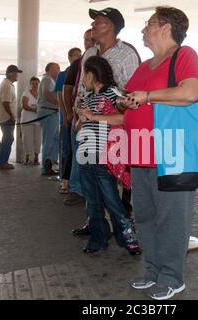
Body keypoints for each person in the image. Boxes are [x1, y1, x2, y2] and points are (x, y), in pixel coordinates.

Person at [120, 7, 198, 300]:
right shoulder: (145, 66)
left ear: (166, 27)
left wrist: (147, 96)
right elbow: (128, 103)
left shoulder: (184, 56)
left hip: (172, 152)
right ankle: (151, 271)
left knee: (172, 218)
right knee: (145, 215)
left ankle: (172, 277)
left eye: (149, 24)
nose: (144, 29)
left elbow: (190, 92)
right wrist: (119, 104)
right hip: (140, 151)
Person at [71, 7, 141, 236]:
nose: (93, 26)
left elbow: (132, 93)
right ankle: (96, 223)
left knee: (112, 178)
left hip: (112, 126)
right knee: (89, 176)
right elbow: (82, 87)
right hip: (87, 124)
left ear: (110, 26)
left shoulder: (127, 54)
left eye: (98, 22)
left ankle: (120, 227)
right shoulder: (90, 52)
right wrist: (77, 115)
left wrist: (114, 109)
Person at [76, 55, 141, 256]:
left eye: (84, 75)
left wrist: (94, 116)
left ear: (91, 74)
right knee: (93, 202)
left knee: (112, 200)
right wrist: (81, 118)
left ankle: (128, 238)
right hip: (85, 154)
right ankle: (98, 239)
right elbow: (80, 126)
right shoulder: (86, 98)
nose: (82, 81)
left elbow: (125, 117)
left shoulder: (113, 94)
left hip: (104, 156)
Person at [63, 29, 94, 206]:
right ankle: (76, 189)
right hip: (78, 116)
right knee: (77, 153)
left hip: (94, 117)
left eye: (90, 39)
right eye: (85, 40)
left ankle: (86, 190)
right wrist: (69, 112)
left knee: (87, 156)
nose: (87, 43)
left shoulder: (98, 60)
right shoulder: (78, 63)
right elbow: (66, 90)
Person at [56, 48, 82, 194]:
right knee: (67, 149)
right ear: (69, 57)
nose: (77, 58)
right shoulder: (64, 74)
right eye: (75, 56)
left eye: (79, 55)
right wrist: (66, 114)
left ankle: (73, 182)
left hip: (78, 115)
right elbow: (61, 94)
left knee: (77, 150)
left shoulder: (83, 68)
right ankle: (65, 179)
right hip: (68, 115)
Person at [0, 65, 23, 170]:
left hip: (7, 117)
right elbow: (6, 103)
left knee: (8, 139)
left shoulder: (9, 84)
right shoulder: (7, 85)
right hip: (6, 117)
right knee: (8, 139)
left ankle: (3, 161)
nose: (18, 75)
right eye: (16, 73)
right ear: (11, 74)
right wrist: (11, 116)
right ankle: (2, 162)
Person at [37, 62, 60, 176]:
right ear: (50, 69)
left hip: (52, 112)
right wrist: (58, 104)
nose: (59, 70)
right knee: (49, 140)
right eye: (57, 68)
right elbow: (46, 94)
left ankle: (50, 162)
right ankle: (45, 166)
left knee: (55, 138)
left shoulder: (50, 80)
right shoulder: (47, 79)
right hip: (48, 112)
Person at [21, 77, 41, 165]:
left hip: (38, 120)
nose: (35, 85)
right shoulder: (26, 93)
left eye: (36, 83)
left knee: (38, 139)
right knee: (27, 138)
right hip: (27, 119)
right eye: (33, 84)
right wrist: (34, 110)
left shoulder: (41, 93)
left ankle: (36, 157)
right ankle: (28, 157)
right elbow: (24, 105)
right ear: (30, 84)